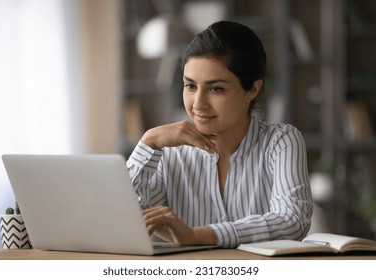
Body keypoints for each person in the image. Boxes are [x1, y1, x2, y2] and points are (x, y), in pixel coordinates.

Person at [126, 20, 313, 248]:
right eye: (190, 86)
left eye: (216, 89)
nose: (198, 104)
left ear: (252, 90)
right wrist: (148, 142)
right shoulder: (167, 151)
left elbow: (292, 221)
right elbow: (125, 217)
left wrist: (199, 236)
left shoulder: (281, 141)